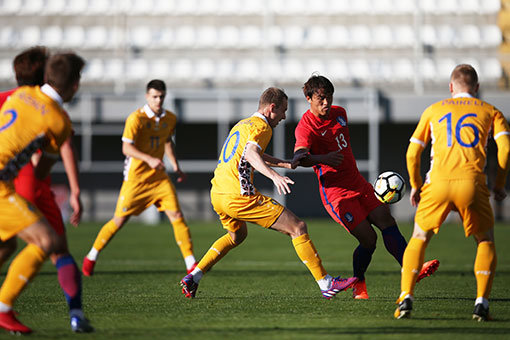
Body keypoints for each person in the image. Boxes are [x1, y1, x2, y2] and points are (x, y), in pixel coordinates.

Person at [180, 87, 357, 299]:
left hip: (218, 194)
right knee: (298, 227)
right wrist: (274, 176)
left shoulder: (243, 124)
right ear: (271, 107)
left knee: (237, 236)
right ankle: (326, 283)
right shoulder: (263, 127)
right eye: (283, 110)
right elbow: (252, 154)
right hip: (239, 196)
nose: (284, 116)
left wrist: (285, 164)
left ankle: (194, 276)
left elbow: (252, 154)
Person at [292, 75, 439, 300]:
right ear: (308, 98)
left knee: (387, 221)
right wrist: (324, 158)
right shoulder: (305, 127)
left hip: (358, 183)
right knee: (369, 240)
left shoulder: (340, 114)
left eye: (329, 98)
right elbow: (299, 157)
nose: (326, 103)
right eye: (321, 99)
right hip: (336, 194)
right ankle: (358, 284)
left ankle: (412, 269)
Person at [394, 64, 510, 321]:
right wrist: (499, 184)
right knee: (486, 240)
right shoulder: (492, 111)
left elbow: (412, 153)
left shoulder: (434, 109)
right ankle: (481, 303)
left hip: (438, 183)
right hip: (472, 183)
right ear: (477, 89)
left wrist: (415, 185)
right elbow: (506, 149)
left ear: (451, 87)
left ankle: (406, 299)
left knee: (420, 237)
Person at [0, 47, 92, 333]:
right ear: (75, 84)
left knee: (7, 245)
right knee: (47, 241)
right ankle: (3, 308)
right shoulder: (58, 120)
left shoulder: (20, 95)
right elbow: (41, 173)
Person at [82, 79, 198, 277]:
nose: (158, 100)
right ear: (147, 96)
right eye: (154, 96)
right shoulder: (136, 118)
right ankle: (91, 256)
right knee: (119, 220)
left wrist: (176, 165)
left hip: (159, 179)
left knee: (177, 216)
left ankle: (191, 263)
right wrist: (149, 159)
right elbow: (126, 147)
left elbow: (167, 141)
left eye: (161, 96)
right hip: (136, 180)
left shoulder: (169, 118)